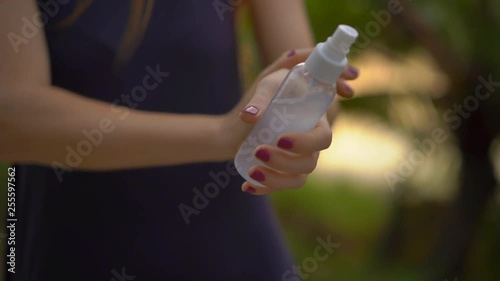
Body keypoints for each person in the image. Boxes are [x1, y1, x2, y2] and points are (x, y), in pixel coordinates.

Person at [1, 0, 359, 280]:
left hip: (231, 253)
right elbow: (12, 117)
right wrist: (222, 134)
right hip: (69, 252)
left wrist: (300, 119)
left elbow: (310, 80)